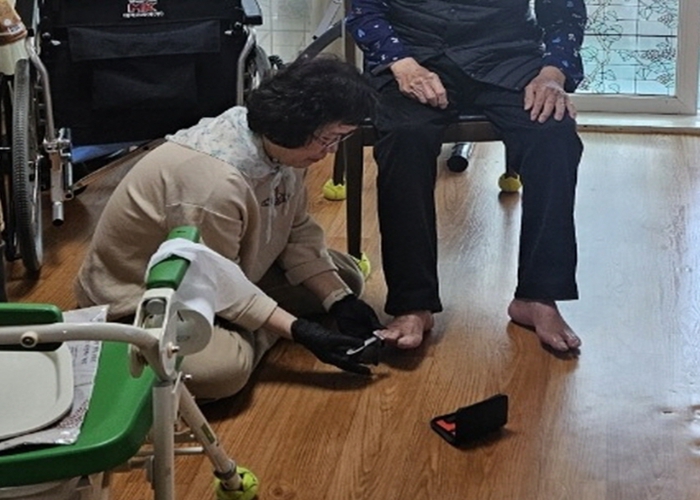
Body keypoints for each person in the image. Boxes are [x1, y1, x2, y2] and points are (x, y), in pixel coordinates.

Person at [74, 56, 386, 400]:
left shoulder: (286, 149)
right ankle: (244, 331)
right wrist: (300, 331)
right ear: (297, 124)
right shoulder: (215, 184)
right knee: (224, 371)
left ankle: (250, 325)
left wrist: (339, 301)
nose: (331, 151)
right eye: (328, 139)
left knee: (347, 280)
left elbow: (297, 231)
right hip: (145, 295)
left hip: (230, 267)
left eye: (340, 138)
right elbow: (214, 279)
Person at [346, 0, 587, 352]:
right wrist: (402, 63)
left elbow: (565, 13)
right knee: (405, 136)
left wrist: (553, 74)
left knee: (553, 136)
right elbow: (364, 9)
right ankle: (413, 304)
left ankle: (538, 296)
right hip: (413, 55)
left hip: (507, 55)